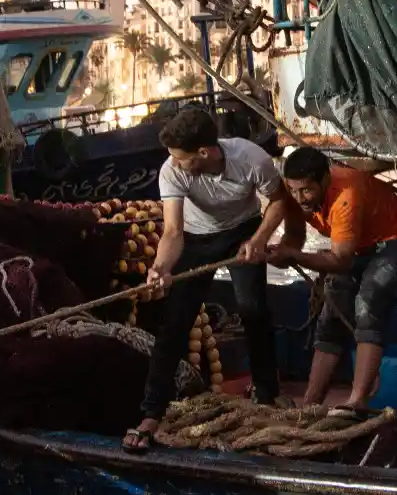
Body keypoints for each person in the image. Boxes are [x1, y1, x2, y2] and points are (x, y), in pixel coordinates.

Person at [124, 107, 294, 452]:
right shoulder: (171, 171)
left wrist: (258, 241)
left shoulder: (251, 158)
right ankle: (151, 413)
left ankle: (267, 395)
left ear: (204, 152)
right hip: (196, 238)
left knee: (253, 311)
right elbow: (172, 231)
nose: (174, 163)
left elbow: (278, 203)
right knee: (174, 324)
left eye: (181, 157)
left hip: (243, 232)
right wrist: (161, 268)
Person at [267, 147, 397, 414]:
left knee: (368, 305)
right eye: (293, 190)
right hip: (356, 246)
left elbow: (340, 260)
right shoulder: (295, 194)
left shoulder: (345, 197)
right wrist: (278, 253)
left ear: (325, 180)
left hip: (392, 243)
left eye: (306, 191)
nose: (299, 198)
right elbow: (295, 236)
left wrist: (294, 255)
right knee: (330, 318)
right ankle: (310, 404)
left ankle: (357, 401)